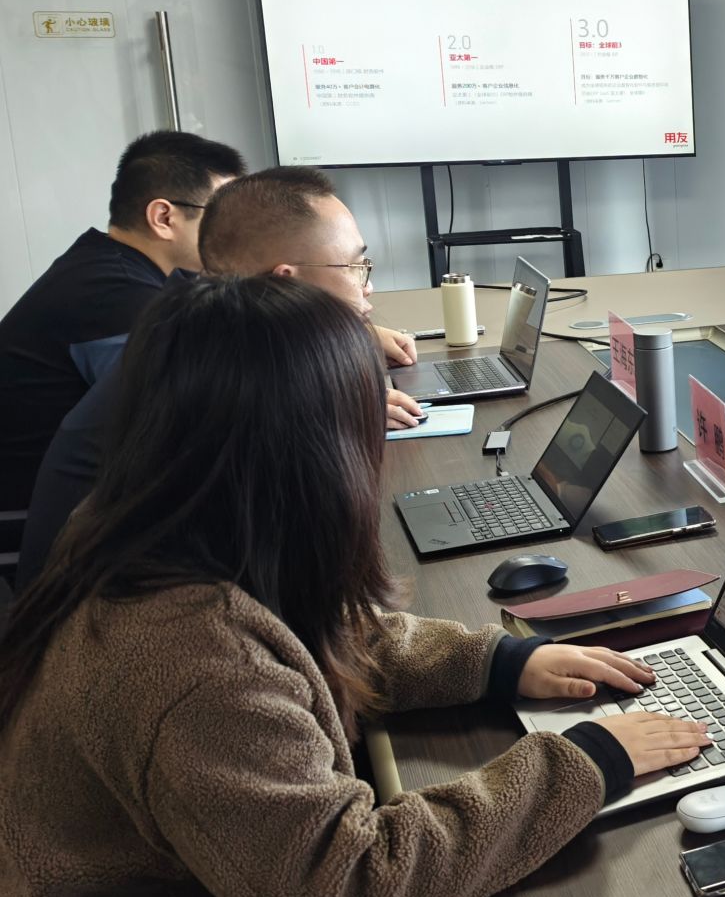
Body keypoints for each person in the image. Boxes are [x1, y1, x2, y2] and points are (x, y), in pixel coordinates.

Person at [0, 276, 706, 897]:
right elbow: (348, 891)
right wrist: (584, 762)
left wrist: (499, 661)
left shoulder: (148, 531)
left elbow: (307, 633)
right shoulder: (192, 661)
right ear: (308, 454)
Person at [15, 167, 428, 585]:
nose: (367, 286)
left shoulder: (204, 330)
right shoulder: (222, 374)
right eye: (354, 265)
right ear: (286, 282)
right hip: (112, 605)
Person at [0, 129, 244, 529]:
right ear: (164, 217)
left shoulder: (107, 266)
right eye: (222, 218)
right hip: (32, 533)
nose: (235, 234)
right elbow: (186, 425)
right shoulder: (114, 295)